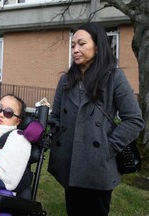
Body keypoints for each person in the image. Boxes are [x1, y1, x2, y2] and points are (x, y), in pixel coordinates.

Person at [47, 22, 144, 216]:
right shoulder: (66, 80)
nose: (75, 49)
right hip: (69, 164)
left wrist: (108, 147)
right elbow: (56, 117)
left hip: (97, 167)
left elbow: (134, 120)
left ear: (97, 46)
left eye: (81, 44)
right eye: (73, 45)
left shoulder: (114, 77)